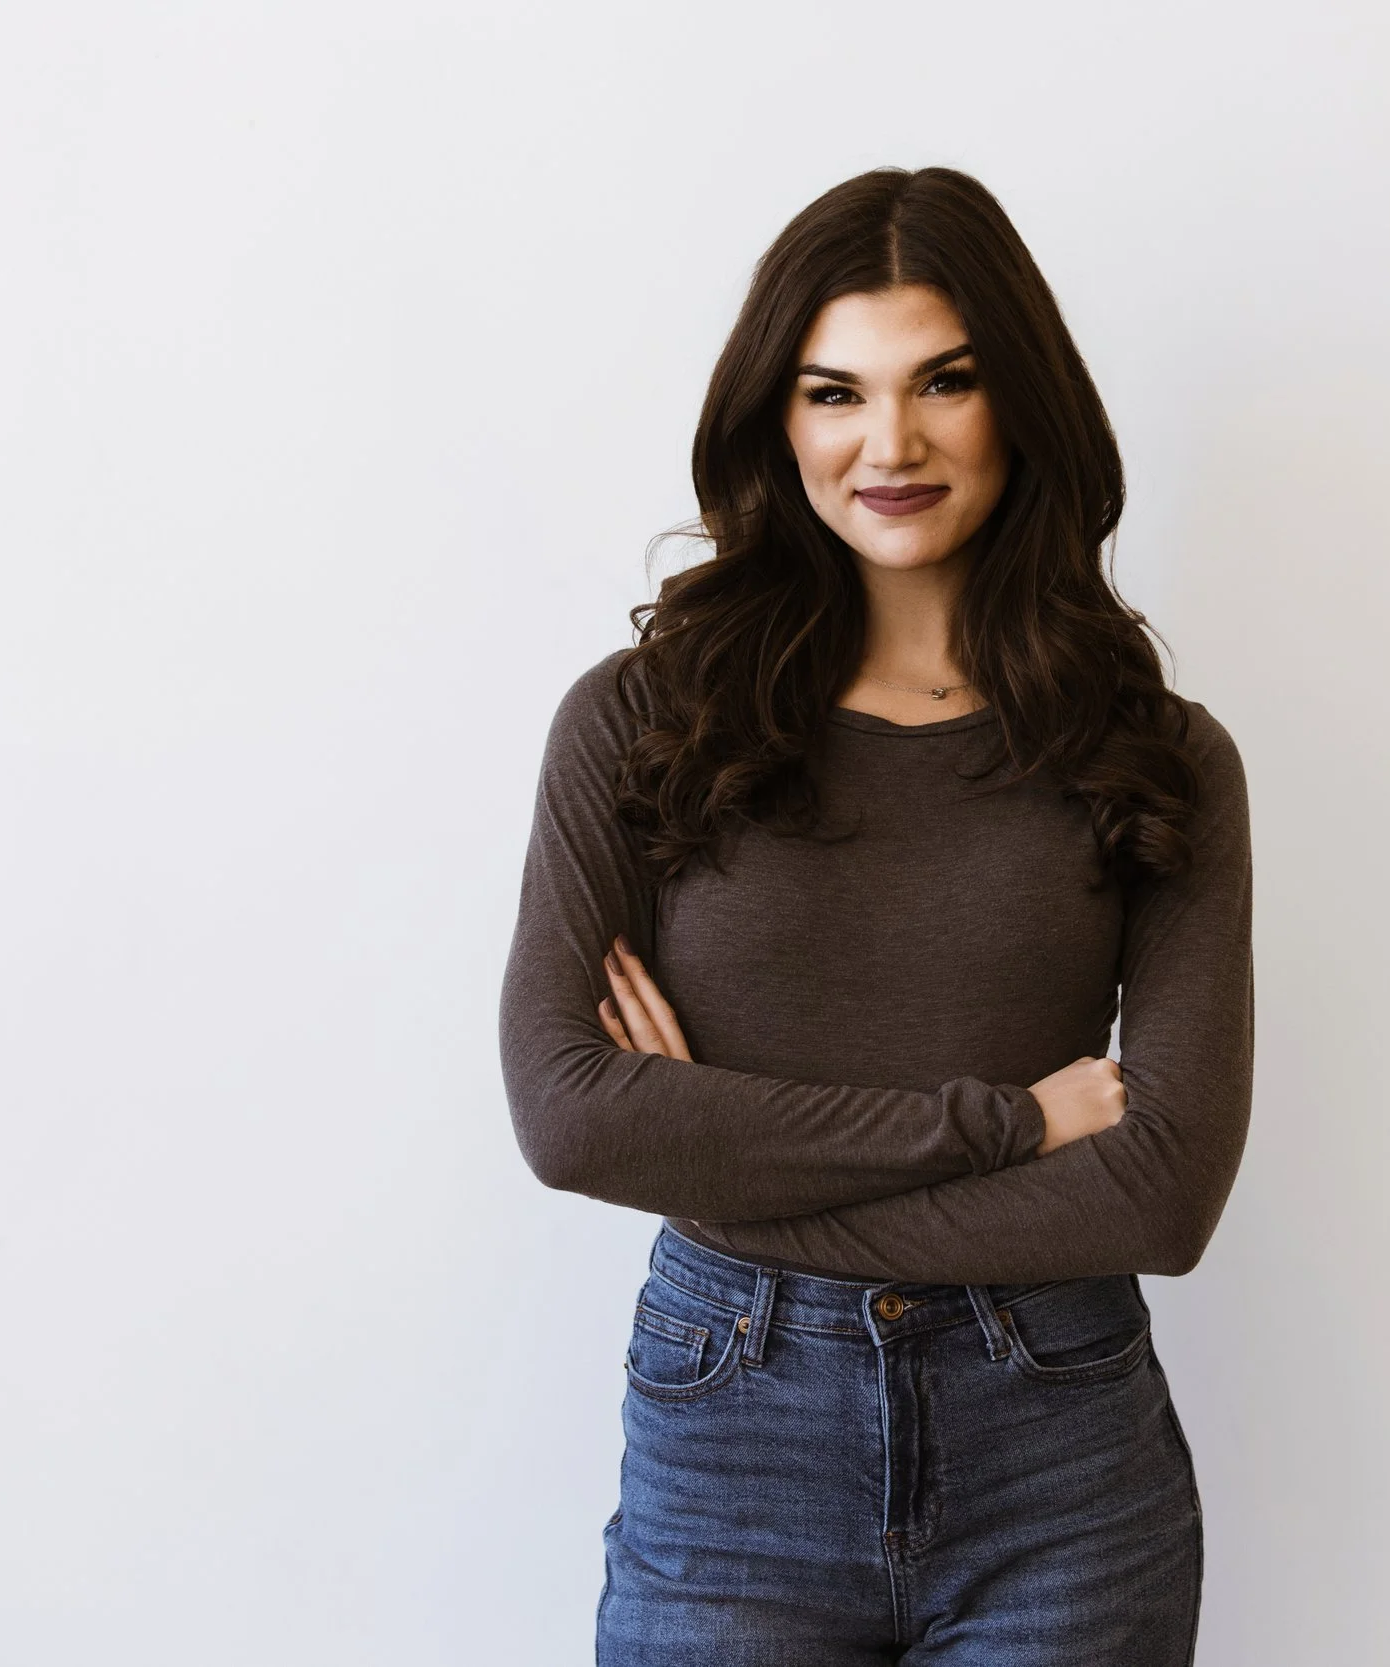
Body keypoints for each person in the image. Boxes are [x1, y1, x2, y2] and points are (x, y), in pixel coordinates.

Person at [499, 164, 1253, 1665]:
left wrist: (718, 1161)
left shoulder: (1156, 757)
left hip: (1060, 1462)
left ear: (1020, 403)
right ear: (777, 423)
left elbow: (1162, 1196)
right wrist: (1007, 1125)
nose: (890, 443)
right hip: (734, 1450)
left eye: (945, 383)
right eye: (835, 391)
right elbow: (572, 1118)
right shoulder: (642, 725)